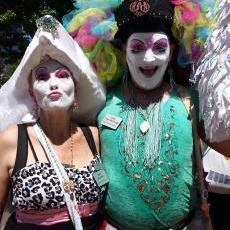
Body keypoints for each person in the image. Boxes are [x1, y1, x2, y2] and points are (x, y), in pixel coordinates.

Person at [0, 15, 107, 230]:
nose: (53, 84)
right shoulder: (12, 139)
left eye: (62, 75)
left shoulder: (94, 136)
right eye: (42, 77)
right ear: (31, 92)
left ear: (76, 90)